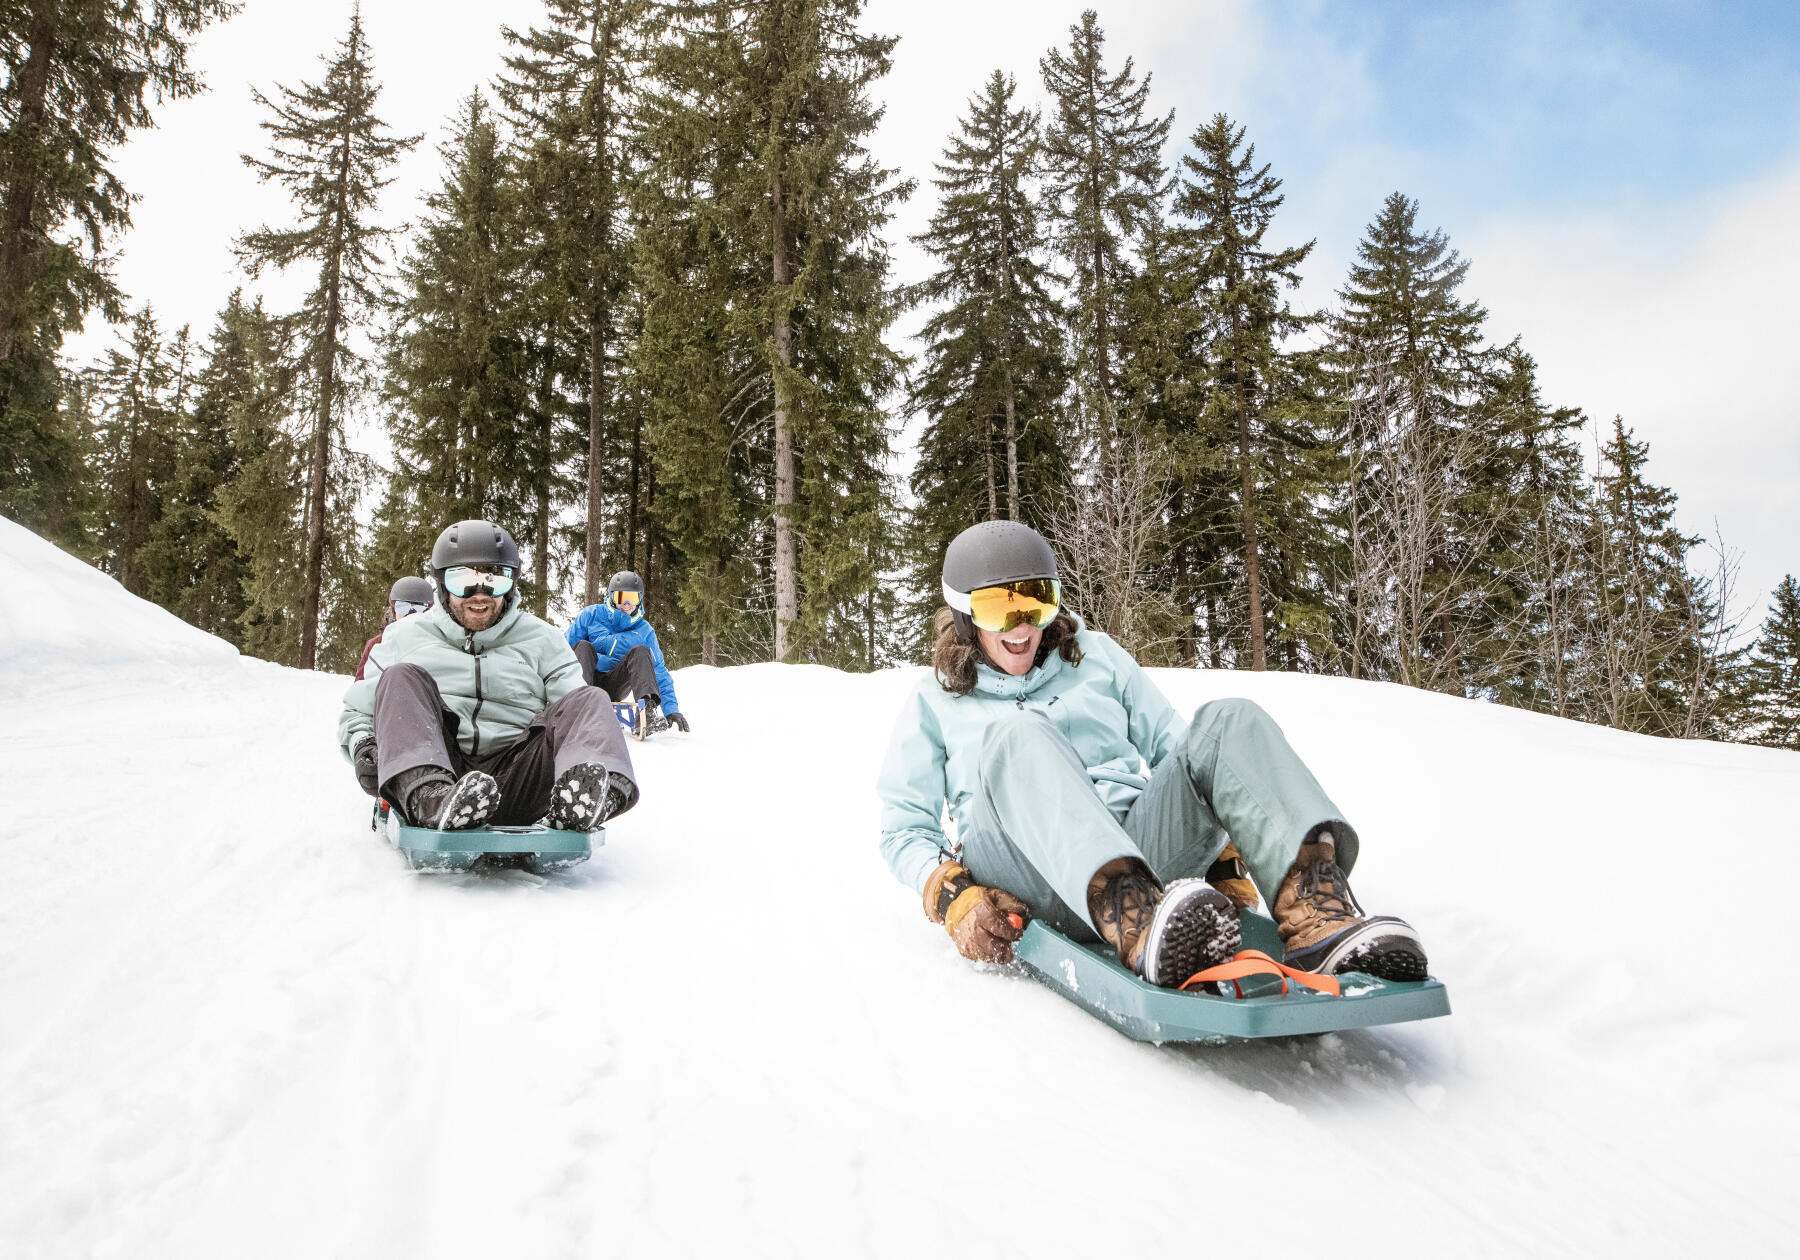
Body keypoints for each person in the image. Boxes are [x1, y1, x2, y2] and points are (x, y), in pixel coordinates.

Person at [876, 520, 1427, 988]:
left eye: (1037, 601)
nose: (1022, 625)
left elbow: (1181, 751)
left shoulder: (1096, 658)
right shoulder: (935, 699)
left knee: (1226, 721)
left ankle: (1317, 916)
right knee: (1019, 734)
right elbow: (904, 826)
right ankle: (1136, 920)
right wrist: (951, 896)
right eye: (1001, 608)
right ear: (966, 616)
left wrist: (1222, 859)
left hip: (1141, 859)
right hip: (1026, 870)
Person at [339, 519, 638, 833]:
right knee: (402, 677)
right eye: (462, 580)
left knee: (589, 698)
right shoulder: (404, 637)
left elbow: (577, 716)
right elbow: (360, 710)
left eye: (494, 580)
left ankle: (596, 798)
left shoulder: (542, 639)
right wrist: (364, 746)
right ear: (442, 583)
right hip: (440, 769)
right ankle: (431, 798)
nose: (479, 594)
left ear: (511, 584)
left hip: (521, 775)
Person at [564, 571, 690, 738]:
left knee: (641, 651)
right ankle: (576, 708)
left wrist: (671, 709)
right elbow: (562, 649)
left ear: (639, 600)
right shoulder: (591, 615)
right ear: (611, 597)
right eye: (622, 597)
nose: (627, 604)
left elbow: (659, 671)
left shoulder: (644, 631)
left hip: (615, 684)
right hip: (585, 679)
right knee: (582, 646)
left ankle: (647, 713)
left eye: (633, 598)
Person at [354, 575, 435, 682]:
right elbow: (360, 685)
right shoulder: (377, 644)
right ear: (394, 609)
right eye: (403, 607)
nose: (409, 614)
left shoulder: (435, 641)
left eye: (418, 608)